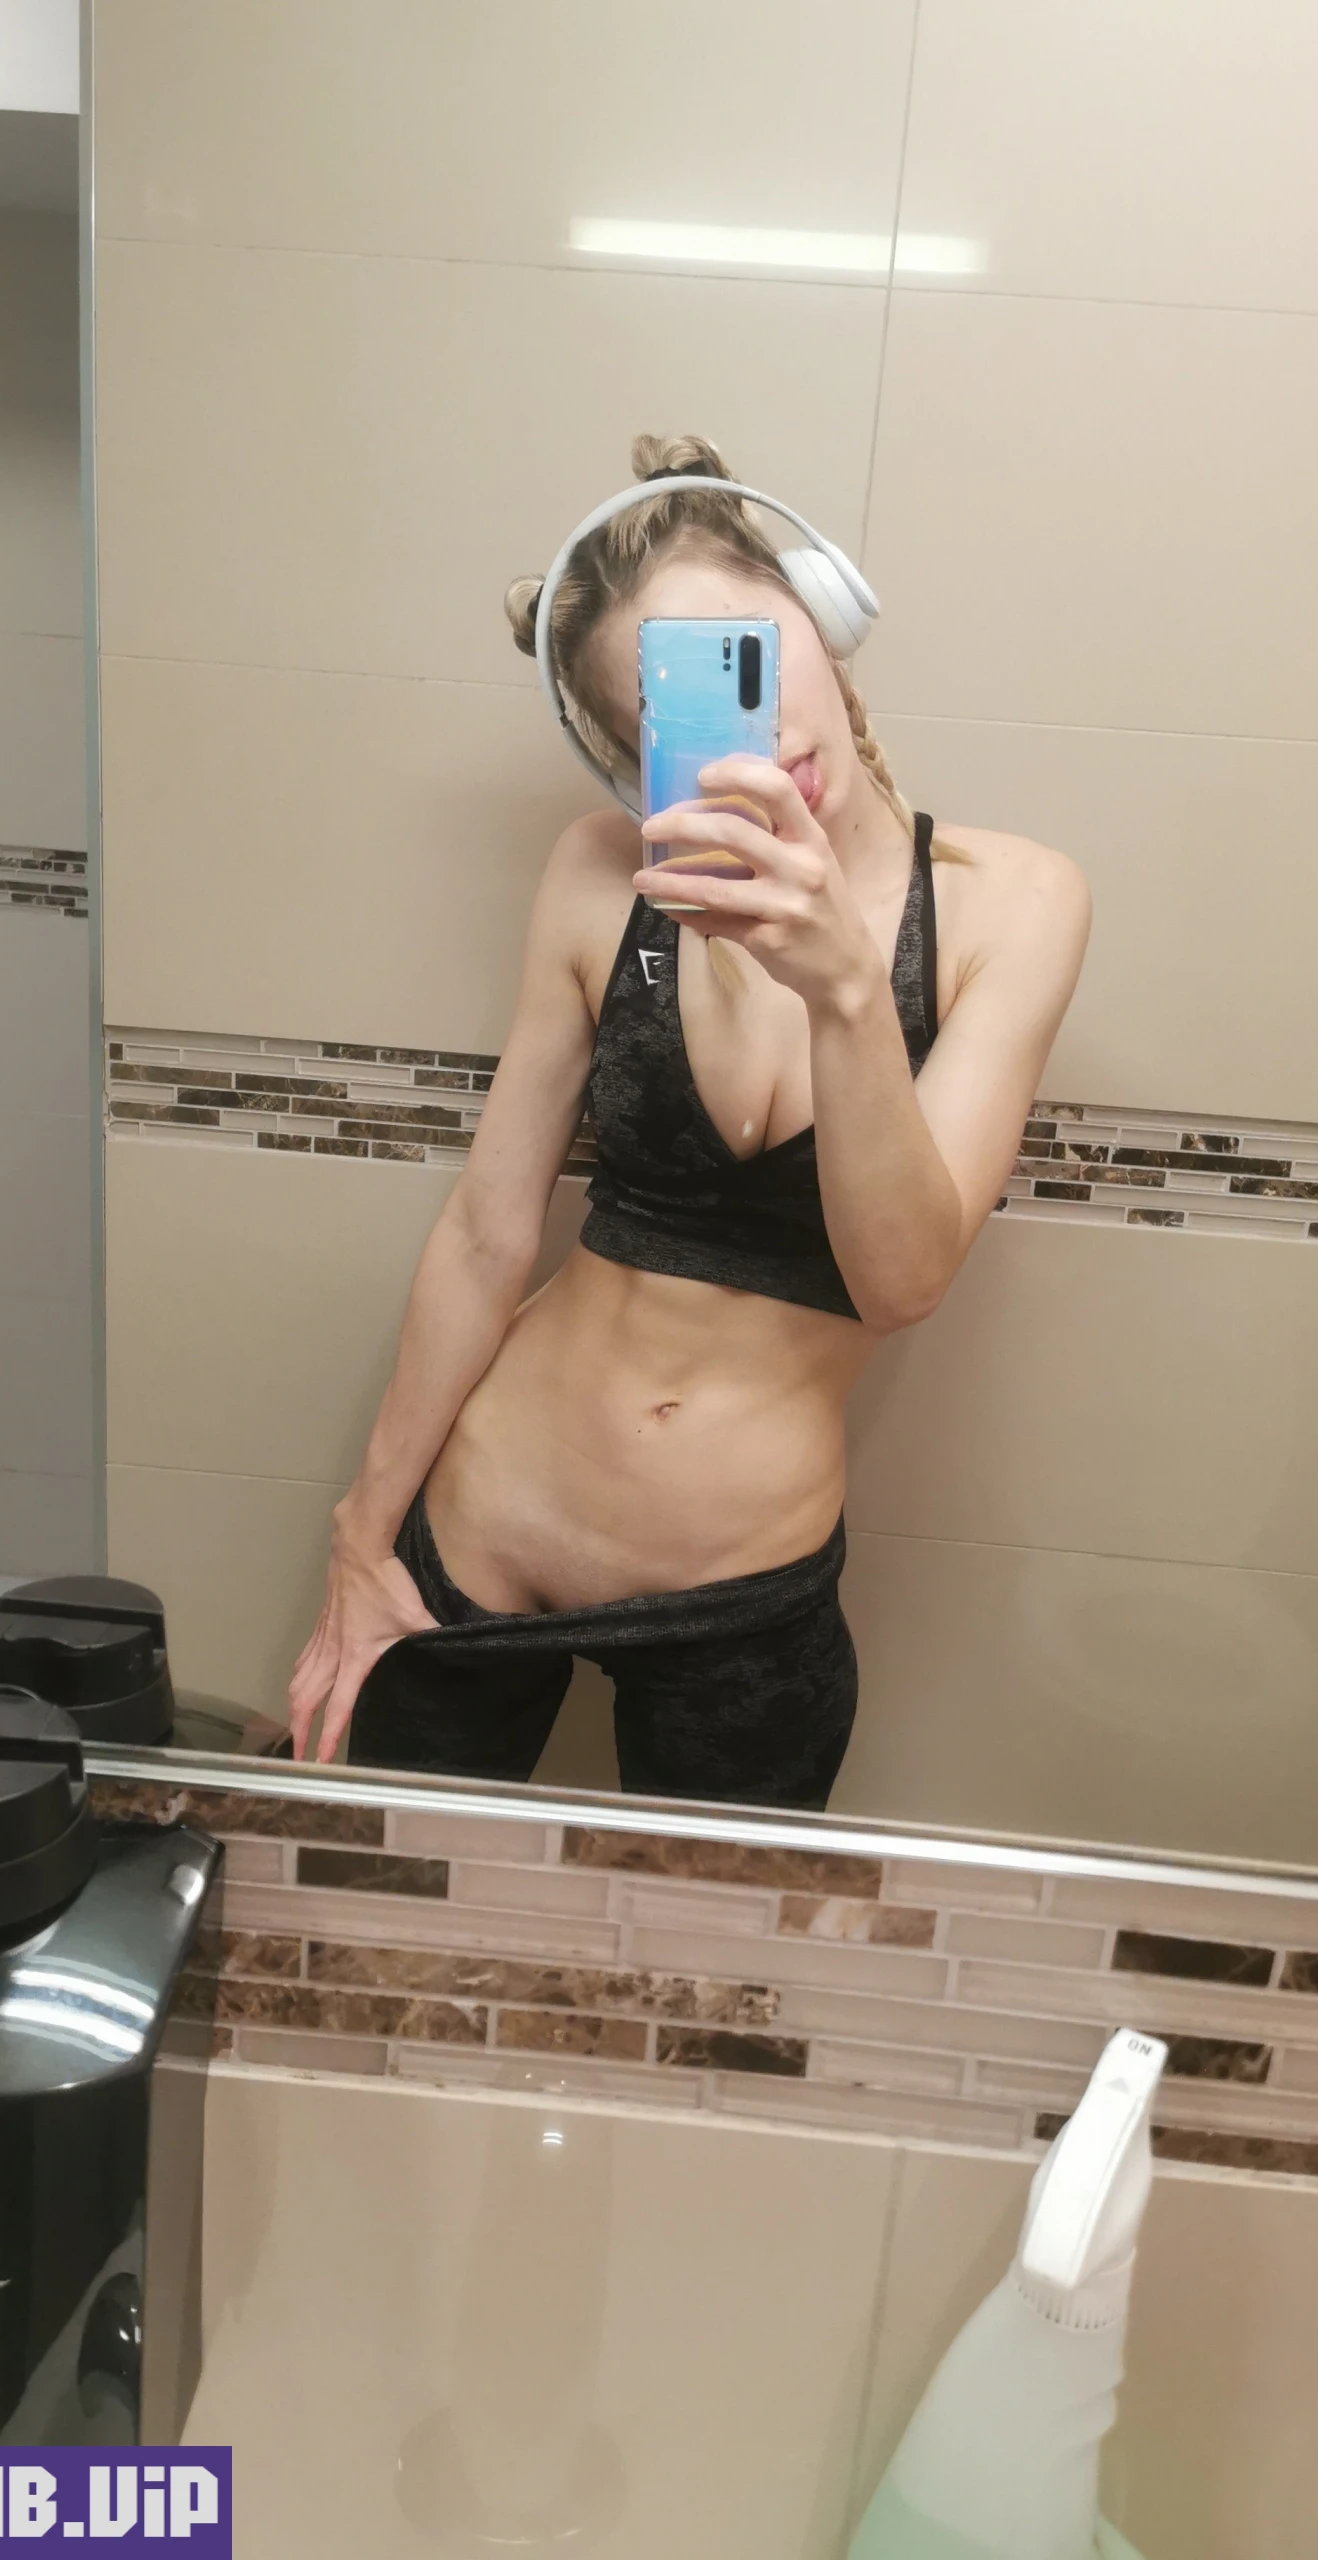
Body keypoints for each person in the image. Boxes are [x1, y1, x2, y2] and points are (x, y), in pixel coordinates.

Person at [287, 434, 1089, 1807]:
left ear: (825, 621)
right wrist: (363, 1535)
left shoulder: (1012, 904)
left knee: (703, 1940)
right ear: (634, 750)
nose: (758, 735)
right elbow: (487, 1233)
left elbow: (901, 1282)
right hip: (478, 1539)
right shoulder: (603, 874)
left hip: (740, 1595)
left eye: (753, 658)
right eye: (688, 707)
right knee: (389, 1914)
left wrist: (845, 988)